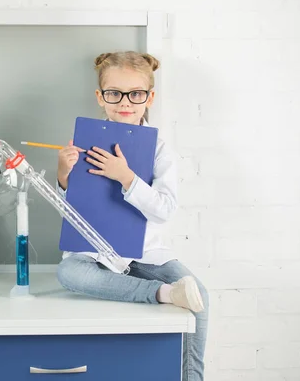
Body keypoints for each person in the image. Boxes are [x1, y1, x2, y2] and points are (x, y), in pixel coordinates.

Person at [56, 51, 209, 381]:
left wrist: (126, 176)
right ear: (100, 97)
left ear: (149, 97)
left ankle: (191, 378)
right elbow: (73, 209)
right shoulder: (86, 141)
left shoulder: (159, 149)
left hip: (143, 253)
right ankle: (162, 294)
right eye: (114, 93)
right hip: (93, 254)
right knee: (68, 273)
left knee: (200, 293)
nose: (125, 102)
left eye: (136, 94)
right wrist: (63, 176)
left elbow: (165, 209)